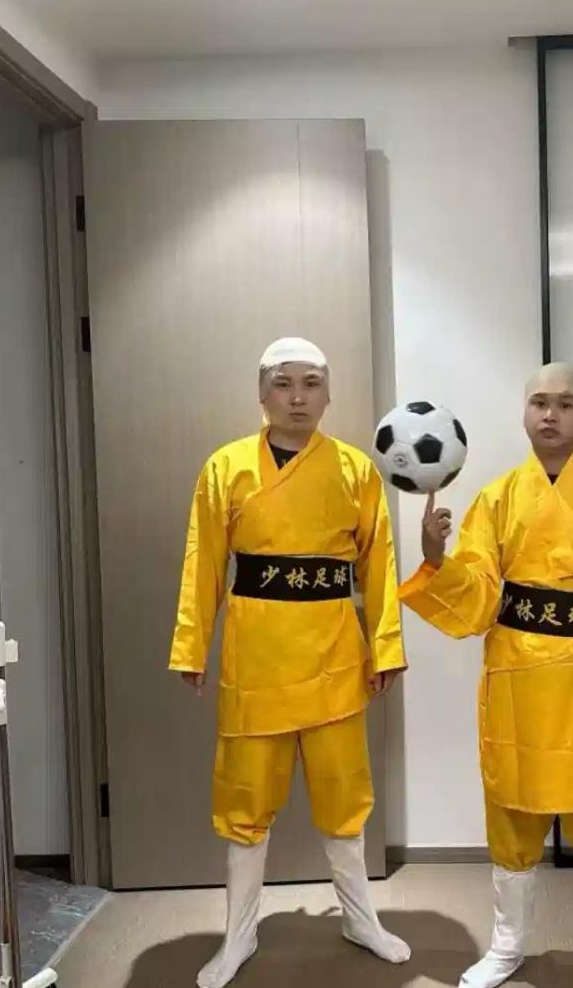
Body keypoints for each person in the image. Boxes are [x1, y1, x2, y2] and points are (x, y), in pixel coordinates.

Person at [169, 337, 410, 988]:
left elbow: (379, 565)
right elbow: (203, 561)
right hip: (257, 659)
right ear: (262, 393)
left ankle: (360, 919)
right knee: (245, 800)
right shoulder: (225, 468)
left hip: (334, 657)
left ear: (328, 395)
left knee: (344, 795)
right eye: (283, 383)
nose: (297, 397)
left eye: (311, 384)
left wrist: (385, 644)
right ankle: (238, 935)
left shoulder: (356, 470)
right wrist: (192, 643)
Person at [400, 362, 573, 988]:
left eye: (565, 404)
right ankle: (507, 947)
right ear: (524, 414)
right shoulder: (499, 497)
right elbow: (480, 598)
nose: (550, 415)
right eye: (539, 403)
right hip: (517, 678)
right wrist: (436, 560)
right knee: (511, 821)